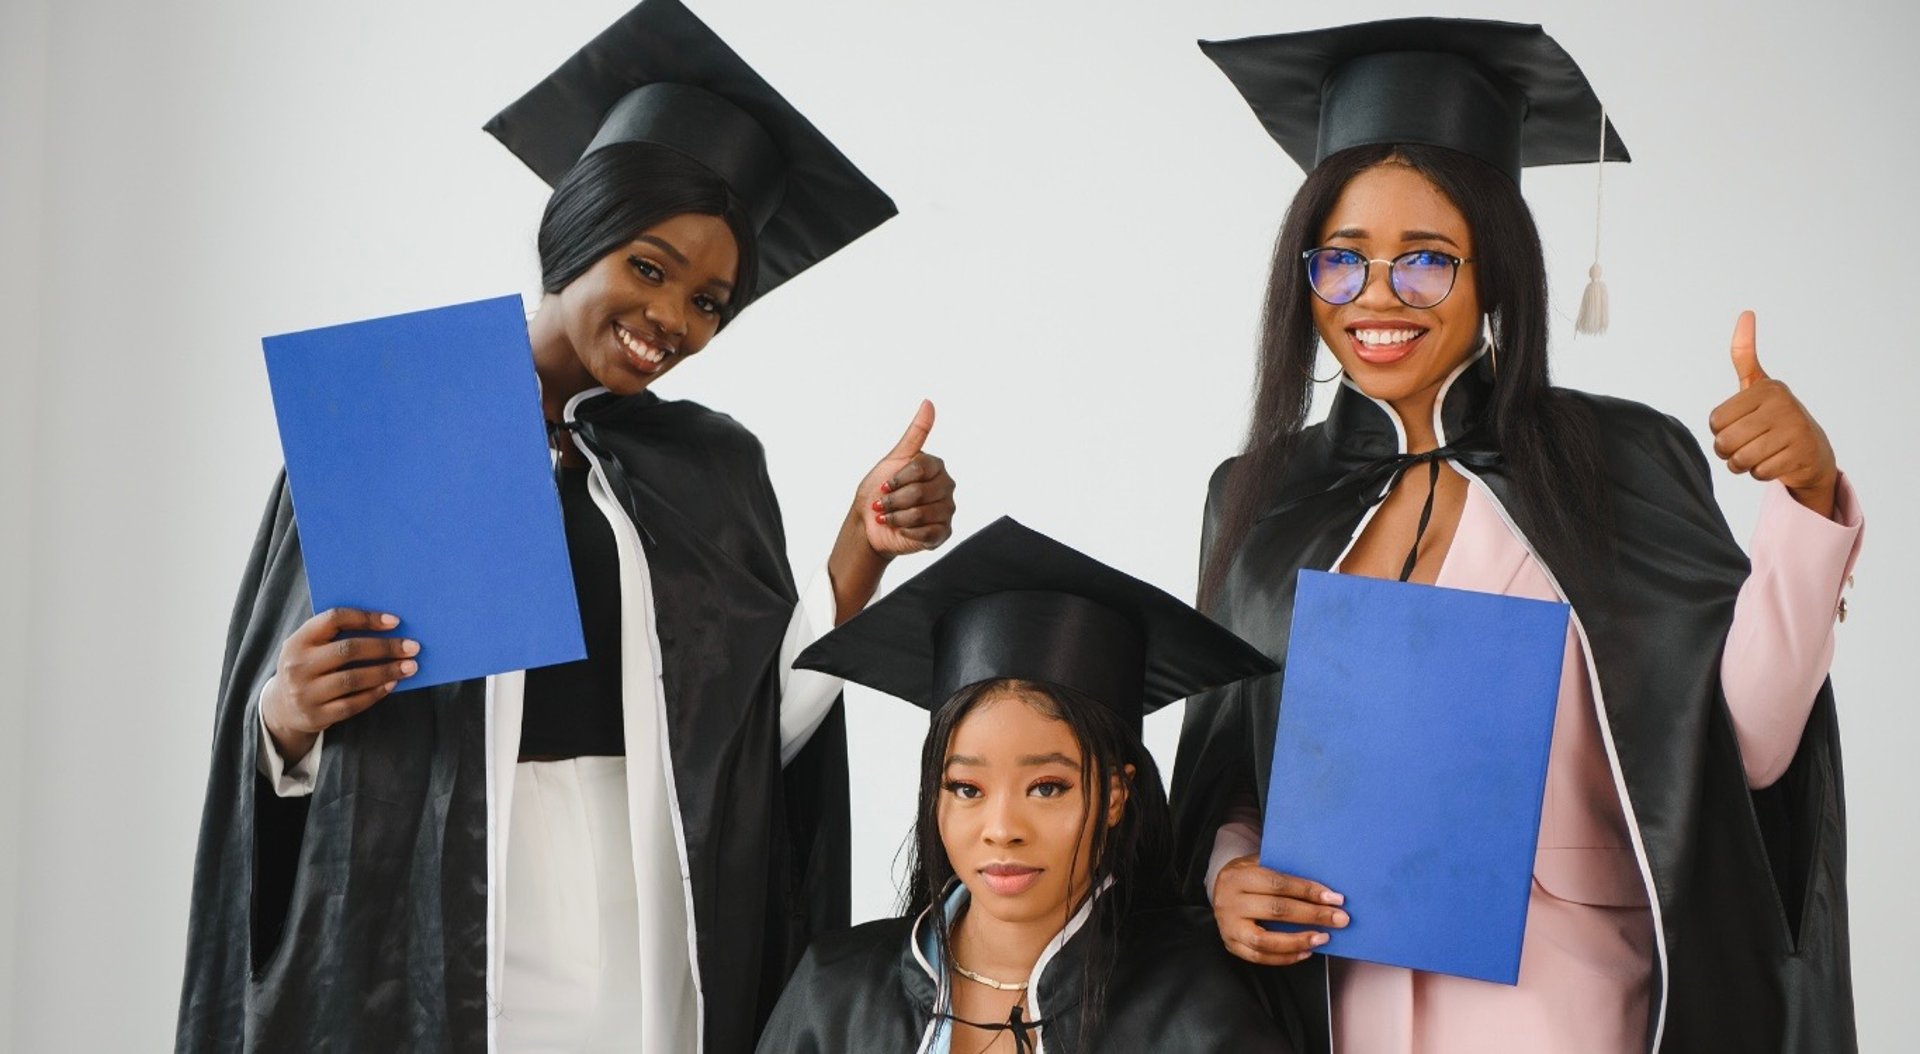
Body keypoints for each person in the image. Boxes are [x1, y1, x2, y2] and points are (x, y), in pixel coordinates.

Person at [176, 2, 956, 1051]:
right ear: (576, 233)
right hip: (439, 906)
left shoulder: (708, 466)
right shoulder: (395, 417)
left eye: (710, 301)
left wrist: (861, 547)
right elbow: (276, 739)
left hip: (647, 909)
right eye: (649, 267)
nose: (672, 320)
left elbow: (750, 746)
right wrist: (286, 715)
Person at [1169, 18, 1863, 1054]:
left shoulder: (1617, 460)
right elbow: (1232, 774)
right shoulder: (1260, 498)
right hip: (1338, 1012)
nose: (1376, 297)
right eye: (1342, 262)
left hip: (1565, 1012)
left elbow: (1747, 750)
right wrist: (1230, 874)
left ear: (1495, 269)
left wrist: (1806, 500)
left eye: (1425, 262)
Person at [759, 518, 1289, 1053]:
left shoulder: (1195, 1004)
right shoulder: (834, 994)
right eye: (967, 788)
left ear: (1115, 794)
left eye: (1047, 787)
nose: (1002, 829)